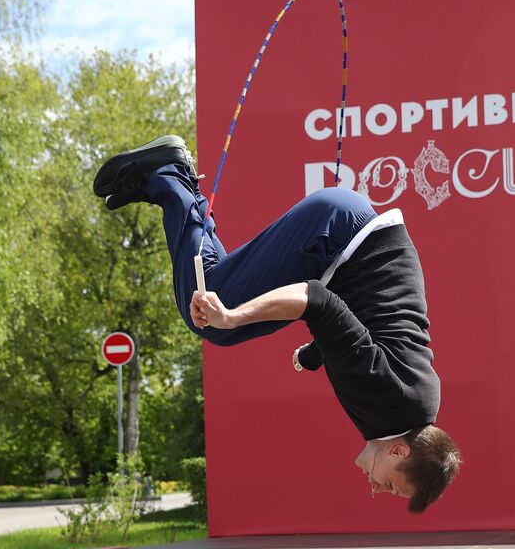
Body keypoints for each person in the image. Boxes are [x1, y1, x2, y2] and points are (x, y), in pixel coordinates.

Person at [94, 135, 461, 513]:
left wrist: (315, 354)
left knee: (220, 304)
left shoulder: (416, 407)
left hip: (346, 234)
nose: (376, 489)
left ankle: (166, 185)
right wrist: (233, 317)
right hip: (335, 236)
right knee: (213, 319)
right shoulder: (390, 405)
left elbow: (372, 332)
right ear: (400, 451)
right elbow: (317, 299)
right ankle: (168, 175)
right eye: (392, 486)